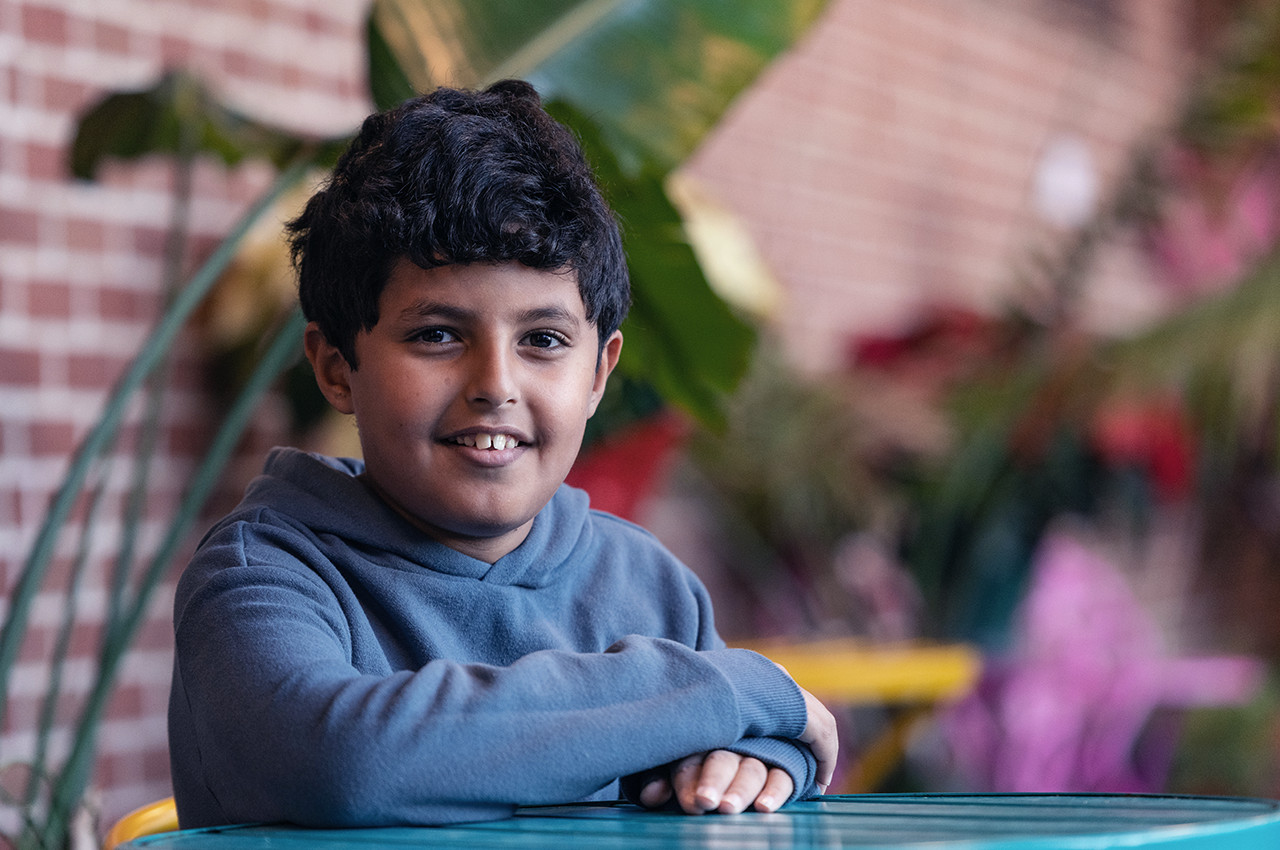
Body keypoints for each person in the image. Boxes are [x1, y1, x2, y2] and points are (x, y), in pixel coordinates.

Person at [167, 79, 837, 829]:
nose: (495, 385)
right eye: (437, 335)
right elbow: (343, 762)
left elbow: (744, 745)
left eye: (543, 341)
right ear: (334, 367)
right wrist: (738, 688)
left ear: (598, 373)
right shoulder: (263, 578)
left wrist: (768, 761)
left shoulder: (651, 588)